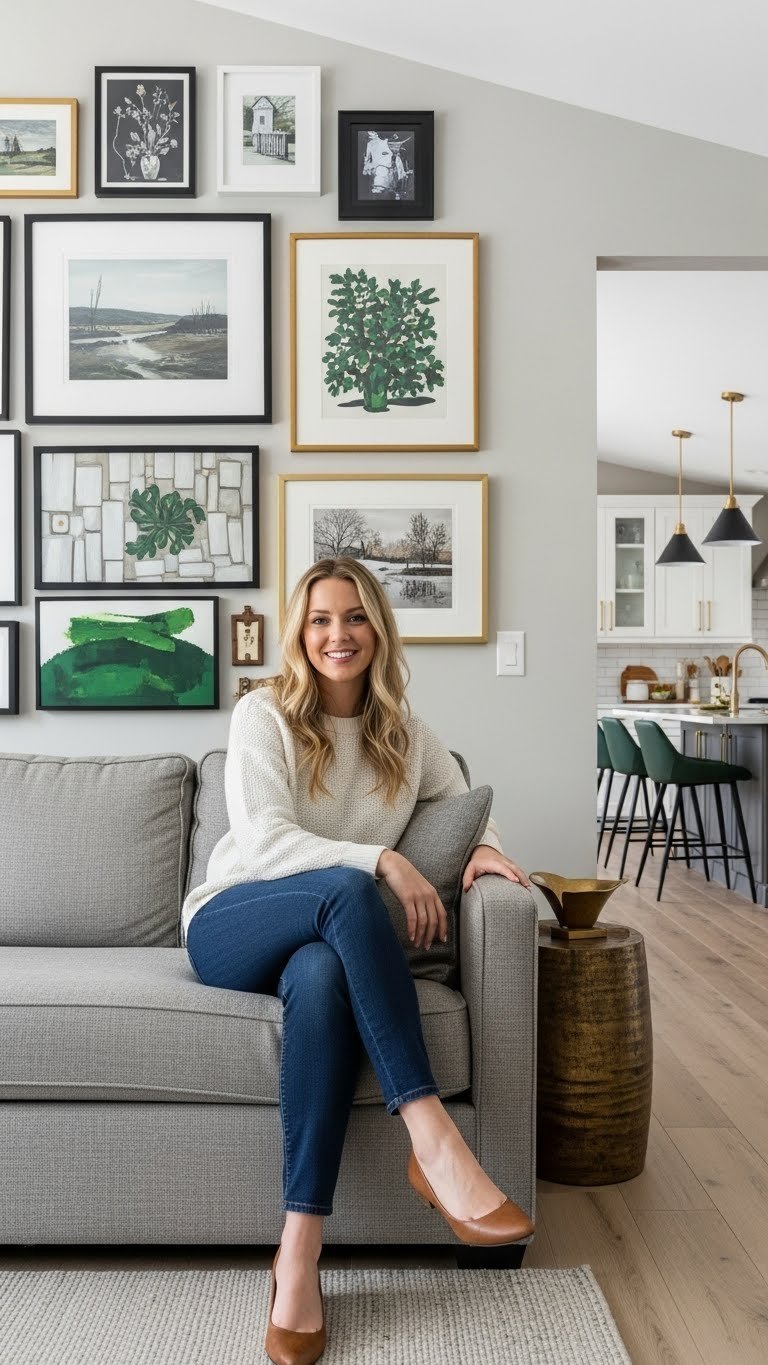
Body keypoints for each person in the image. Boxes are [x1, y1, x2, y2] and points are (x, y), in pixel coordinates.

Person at [181, 557, 534, 1365]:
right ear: (298, 634)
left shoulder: (405, 733)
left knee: (321, 974)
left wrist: (482, 848)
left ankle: (297, 1255)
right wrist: (384, 858)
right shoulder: (262, 714)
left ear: (378, 628)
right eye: (319, 619)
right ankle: (434, 1139)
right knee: (347, 888)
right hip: (235, 919)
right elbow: (267, 844)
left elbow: (462, 800)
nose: (337, 634)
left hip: (314, 947)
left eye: (354, 617)